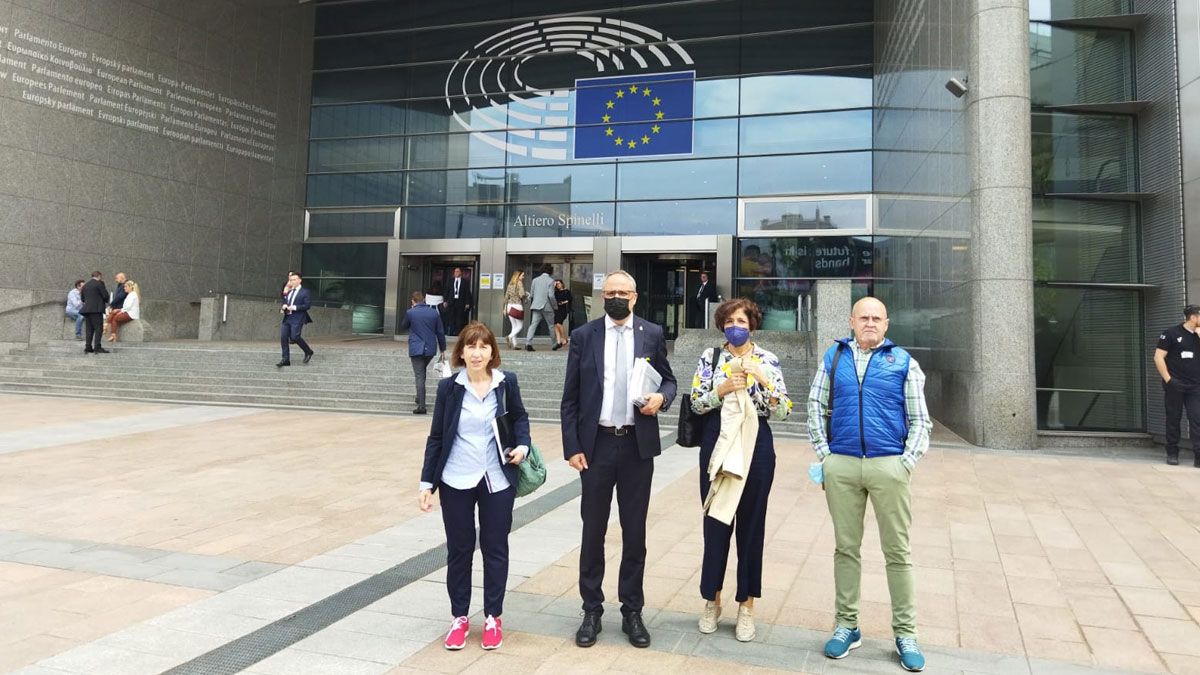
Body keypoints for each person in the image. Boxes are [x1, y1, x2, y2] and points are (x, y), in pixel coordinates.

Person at [807, 297, 931, 673]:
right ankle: (847, 625)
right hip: (842, 464)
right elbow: (814, 403)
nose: (870, 323)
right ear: (852, 321)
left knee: (898, 551)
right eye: (864, 317)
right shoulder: (835, 357)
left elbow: (921, 420)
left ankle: (905, 633)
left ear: (887, 324)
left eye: (877, 318)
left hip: (887, 464)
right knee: (846, 549)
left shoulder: (903, 362)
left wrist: (904, 464)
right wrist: (826, 455)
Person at [561, 270, 676, 649]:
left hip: (635, 447)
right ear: (601, 295)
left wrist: (663, 398)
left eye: (622, 292)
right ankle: (591, 609)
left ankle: (632, 610)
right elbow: (571, 398)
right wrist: (572, 446)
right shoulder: (583, 335)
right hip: (596, 445)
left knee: (634, 530)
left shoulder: (652, 333)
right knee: (592, 529)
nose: (616, 297)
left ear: (635, 297)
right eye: (609, 291)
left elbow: (669, 380)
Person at [419, 321, 530, 652]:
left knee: (496, 548)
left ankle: (493, 616)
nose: (477, 352)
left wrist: (522, 445)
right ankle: (459, 617)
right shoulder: (449, 388)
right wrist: (427, 482)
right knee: (460, 549)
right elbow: (437, 436)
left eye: (483, 346)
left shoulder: (505, 383)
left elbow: (520, 418)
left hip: (497, 477)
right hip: (456, 478)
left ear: (493, 352)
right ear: (461, 352)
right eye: (471, 346)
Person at [689, 298, 791, 642]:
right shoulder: (710, 357)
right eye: (731, 320)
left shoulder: (768, 359)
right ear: (722, 325)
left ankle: (746, 606)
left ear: (752, 325)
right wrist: (721, 390)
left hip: (756, 446)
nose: (737, 325)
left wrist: (761, 382)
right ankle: (711, 600)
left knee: (751, 527)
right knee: (716, 522)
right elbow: (696, 402)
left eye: (742, 320)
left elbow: (783, 411)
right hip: (717, 443)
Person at [1154, 304, 1200, 466]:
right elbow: (1158, 357)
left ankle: (1198, 456)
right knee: (1174, 418)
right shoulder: (1171, 333)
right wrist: (1168, 380)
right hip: (1175, 384)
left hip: (1195, 386)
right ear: (1193, 318)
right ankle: (1172, 453)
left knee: (1197, 418)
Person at [401, 291, 447, 415]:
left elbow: (403, 326)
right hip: (430, 350)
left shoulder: (410, 312)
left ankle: (422, 406)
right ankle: (419, 397)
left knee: (419, 375)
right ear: (424, 301)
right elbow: (440, 332)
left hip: (416, 349)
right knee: (421, 372)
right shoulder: (434, 313)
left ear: (413, 301)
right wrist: (443, 349)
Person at [277, 271, 314, 367]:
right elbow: (285, 301)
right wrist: (284, 306)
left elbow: (307, 305)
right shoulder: (289, 291)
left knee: (295, 337)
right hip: (287, 317)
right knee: (283, 338)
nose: (292, 282)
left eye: (294, 280)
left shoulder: (305, 292)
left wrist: (294, 307)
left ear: (299, 280)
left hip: (298, 317)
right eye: (291, 280)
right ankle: (285, 359)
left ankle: (308, 351)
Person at [524, 264, 555, 351]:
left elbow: (532, 294)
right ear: (550, 271)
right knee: (551, 326)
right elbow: (551, 296)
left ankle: (528, 343)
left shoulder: (535, 280)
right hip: (547, 306)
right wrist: (555, 306)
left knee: (533, 325)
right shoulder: (551, 281)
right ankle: (554, 344)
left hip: (536, 306)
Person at [80, 271, 109, 354]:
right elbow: (106, 296)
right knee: (98, 328)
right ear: (99, 276)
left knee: (89, 329)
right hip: (96, 310)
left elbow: (82, 299)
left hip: (87, 310)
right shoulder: (99, 284)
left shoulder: (85, 285)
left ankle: (88, 347)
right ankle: (97, 347)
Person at [503, 271, 528, 350]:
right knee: (520, 326)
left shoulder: (510, 284)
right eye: (522, 275)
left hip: (509, 306)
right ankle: (509, 337)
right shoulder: (519, 283)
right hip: (517, 306)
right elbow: (521, 294)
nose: (523, 277)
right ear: (518, 276)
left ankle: (515, 344)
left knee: (514, 326)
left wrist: (504, 308)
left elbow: (506, 296)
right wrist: (526, 294)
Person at [446, 268, 473, 336]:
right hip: (452, 301)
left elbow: (467, 292)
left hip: (460, 302)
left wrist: (467, 302)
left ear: (461, 272)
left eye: (457, 271)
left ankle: (458, 333)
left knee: (459, 318)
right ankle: (451, 332)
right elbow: (447, 291)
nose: (456, 272)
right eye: (455, 271)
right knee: (451, 317)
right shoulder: (450, 281)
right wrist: (445, 301)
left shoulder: (464, 281)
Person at [552, 279, 573, 350]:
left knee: (558, 323)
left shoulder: (566, 291)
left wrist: (563, 302)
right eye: (556, 284)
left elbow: (569, 299)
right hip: (556, 310)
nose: (558, 285)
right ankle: (558, 341)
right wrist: (553, 286)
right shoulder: (555, 292)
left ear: (562, 283)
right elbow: (552, 297)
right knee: (555, 325)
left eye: (559, 283)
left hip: (563, 309)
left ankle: (564, 338)